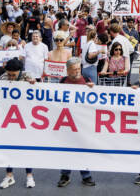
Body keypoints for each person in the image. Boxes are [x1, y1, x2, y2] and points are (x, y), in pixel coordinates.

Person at [0, 58, 37, 189]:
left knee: (26, 147)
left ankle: (29, 176)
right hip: (8, 119)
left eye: (14, 75)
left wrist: (33, 85)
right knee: (8, 148)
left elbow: (38, 94)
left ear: (20, 71)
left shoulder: (27, 77)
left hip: (25, 118)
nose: (11, 77)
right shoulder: (3, 78)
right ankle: (9, 176)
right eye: (10, 74)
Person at [57, 58, 96, 187]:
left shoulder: (87, 81)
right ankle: (65, 175)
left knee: (82, 149)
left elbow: (97, 99)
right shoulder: (62, 82)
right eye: (74, 69)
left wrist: (93, 89)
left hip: (82, 123)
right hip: (66, 123)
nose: (77, 71)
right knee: (66, 150)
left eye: (79, 68)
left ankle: (86, 175)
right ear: (67, 70)